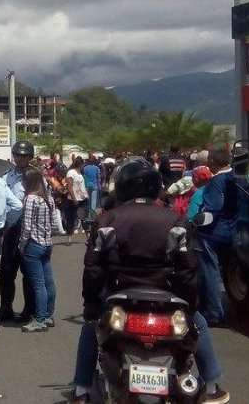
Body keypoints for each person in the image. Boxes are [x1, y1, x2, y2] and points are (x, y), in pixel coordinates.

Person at [68, 158, 230, 404]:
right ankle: (210, 385)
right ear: (156, 188)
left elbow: (93, 269)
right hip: (168, 296)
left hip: (118, 293)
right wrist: (191, 305)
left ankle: (81, 390)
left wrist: (90, 305)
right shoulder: (175, 220)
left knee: (91, 327)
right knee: (199, 324)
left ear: (121, 188)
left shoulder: (106, 221)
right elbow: (187, 269)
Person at [0, 141, 41, 327]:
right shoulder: (7, 177)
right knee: (6, 270)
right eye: (17, 155)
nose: (20, 158)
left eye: (24, 155)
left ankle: (29, 310)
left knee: (29, 272)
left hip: (30, 227)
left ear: (30, 157)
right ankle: (6, 307)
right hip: (11, 228)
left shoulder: (37, 176)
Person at [195, 148, 238, 328]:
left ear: (212, 161)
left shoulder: (217, 182)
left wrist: (197, 220)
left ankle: (213, 314)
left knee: (210, 272)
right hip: (234, 231)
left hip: (212, 233)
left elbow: (213, 208)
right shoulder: (236, 177)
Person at [18, 166, 56, 332]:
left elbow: (26, 226)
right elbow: (54, 222)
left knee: (38, 284)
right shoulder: (48, 197)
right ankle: (48, 315)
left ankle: (39, 319)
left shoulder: (30, 199)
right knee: (48, 281)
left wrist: (21, 244)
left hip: (33, 244)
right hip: (47, 243)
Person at [66, 157, 89, 234]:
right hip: (74, 199)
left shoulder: (80, 173)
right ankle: (69, 237)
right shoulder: (71, 172)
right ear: (81, 164)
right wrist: (74, 199)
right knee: (71, 218)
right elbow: (69, 187)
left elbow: (81, 185)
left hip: (83, 198)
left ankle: (87, 236)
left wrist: (86, 194)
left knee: (84, 217)